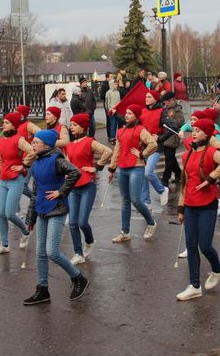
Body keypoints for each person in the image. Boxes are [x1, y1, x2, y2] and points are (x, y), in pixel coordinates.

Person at [22, 130, 89, 305]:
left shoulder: (57, 160)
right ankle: (42, 289)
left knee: (52, 252)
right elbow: (36, 192)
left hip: (57, 209)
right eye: (33, 142)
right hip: (42, 210)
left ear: (46, 144)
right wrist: (30, 219)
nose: (33, 144)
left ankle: (78, 278)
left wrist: (61, 191)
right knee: (40, 253)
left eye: (36, 142)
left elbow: (75, 172)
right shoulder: (37, 163)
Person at [175, 118, 220, 301]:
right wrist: (181, 208)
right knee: (191, 245)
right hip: (190, 204)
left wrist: (210, 179)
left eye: (198, 130)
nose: (194, 133)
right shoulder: (187, 154)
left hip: (207, 204)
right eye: (193, 130)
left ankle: (216, 269)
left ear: (206, 134)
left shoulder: (211, 152)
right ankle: (194, 285)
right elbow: (185, 182)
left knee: (205, 245)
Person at [63, 113, 112, 265]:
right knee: (72, 222)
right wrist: (67, 174)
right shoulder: (69, 145)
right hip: (73, 186)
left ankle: (90, 241)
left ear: (83, 127)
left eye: (74, 125)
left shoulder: (90, 141)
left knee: (82, 222)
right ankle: (78, 253)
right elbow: (68, 163)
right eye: (71, 125)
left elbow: (107, 151)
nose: (71, 127)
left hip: (87, 185)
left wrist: (96, 167)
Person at [107, 105, 158, 243]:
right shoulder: (121, 131)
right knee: (125, 201)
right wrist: (111, 169)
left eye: (130, 113)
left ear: (136, 115)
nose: (127, 115)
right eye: (126, 113)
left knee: (136, 199)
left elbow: (153, 144)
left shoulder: (141, 130)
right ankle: (125, 232)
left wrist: (142, 154)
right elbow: (117, 150)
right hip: (122, 168)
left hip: (137, 167)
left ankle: (151, 222)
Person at [0, 113, 36, 255]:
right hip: (3, 180)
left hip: (16, 180)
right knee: (1, 214)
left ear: (14, 125)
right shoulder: (1, 141)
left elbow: (32, 151)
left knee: (10, 213)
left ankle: (26, 231)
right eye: (3, 122)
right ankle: (4, 245)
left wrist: (23, 165)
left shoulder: (19, 139)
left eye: (7, 122)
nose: (3, 125)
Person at [139, 89, 174, 208]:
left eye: (149, 97)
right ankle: (146, 202)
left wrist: (160, 138)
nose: (146, 99)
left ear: (155, 99)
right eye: (146, 97)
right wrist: (116, 113)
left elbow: (172, 126)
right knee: (144, 174)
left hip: (156, 147)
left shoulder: (162, 111)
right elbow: (134, 124)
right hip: (143, 146)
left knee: (148, 172)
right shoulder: (142, 111)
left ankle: (162, 190)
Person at [159, 92, 185, 188]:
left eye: (167, 101)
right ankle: (178, 173)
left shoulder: (177, 109)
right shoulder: (164, 109)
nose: (166, 103)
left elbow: (180, 121)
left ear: (172, 100)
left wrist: (168, 121)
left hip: (172, 136)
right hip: (165, 135)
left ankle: (165, 179)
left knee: (169, 158)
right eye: (165, 102)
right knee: (171, 157)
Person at [105, 79, 122, 143]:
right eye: (115, 84)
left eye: (116, 84)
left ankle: (119, 137)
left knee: (119, 124)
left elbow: (119, 101)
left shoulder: (118, 92)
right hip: (111, 111)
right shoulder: (108, 92)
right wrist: (109, 111)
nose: (116, 85)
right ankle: (112, 138)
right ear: (111, 84)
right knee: (113, 125)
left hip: (118, 111)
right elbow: (107, 103)